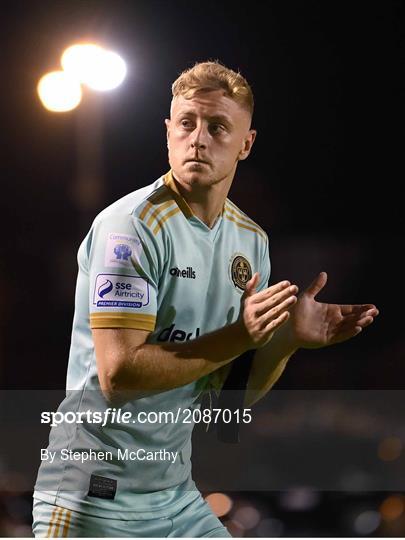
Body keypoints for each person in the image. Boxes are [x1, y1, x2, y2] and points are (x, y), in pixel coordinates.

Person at [32, 61, 378, 538]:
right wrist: (241, 334)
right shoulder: (130, 228)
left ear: (246, 144)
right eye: (187, 123)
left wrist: (286, 343)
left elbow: (224, 403)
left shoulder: (251, 243)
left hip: (173, 496)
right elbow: (119, 376)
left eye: (217, 127)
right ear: (168, 132)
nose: (198, 138)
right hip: (93, 494)